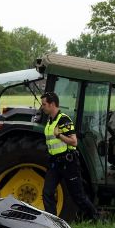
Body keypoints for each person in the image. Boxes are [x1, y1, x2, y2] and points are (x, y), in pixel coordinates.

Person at [40, 92, 100, 221]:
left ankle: (97, 218)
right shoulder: (50, 121)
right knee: (47, 193)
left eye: (44, 104)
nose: (42, 107)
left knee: (78, 196)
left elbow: (74, 142)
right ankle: (53, 223)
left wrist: (59, 135)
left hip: (68, 163)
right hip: (54, 163)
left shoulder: (64, 119)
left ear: (52, 104)